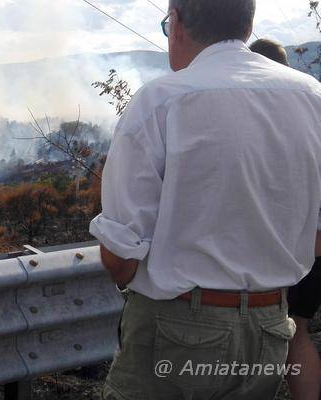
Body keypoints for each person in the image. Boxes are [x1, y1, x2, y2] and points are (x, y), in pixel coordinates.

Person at [88, 0, 321, 398]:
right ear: (247, 26)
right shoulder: (313, 98)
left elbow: (119, 258)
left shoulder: (160, 101)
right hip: (270, 328)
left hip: (175, 328)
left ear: (176, 24)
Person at [249, 38, 320, 400]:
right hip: (315, 245)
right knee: (300, 332)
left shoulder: (260, 117)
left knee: (266, 332)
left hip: (287, 248)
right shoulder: (312, 103)